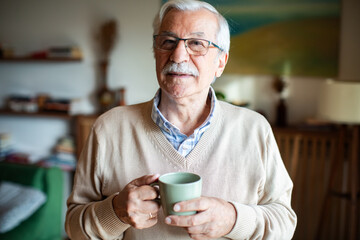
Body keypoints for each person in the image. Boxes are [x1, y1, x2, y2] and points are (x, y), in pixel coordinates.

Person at [65, 0, 297, 239]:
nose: (178, 55)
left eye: (196, 43)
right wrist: (115, 213)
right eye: (168, 41)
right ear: (155, 52)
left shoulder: (254, 129)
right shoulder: (109, 128)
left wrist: (233, 219)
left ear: (220, 62)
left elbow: (284, 224)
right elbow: (74, 227)